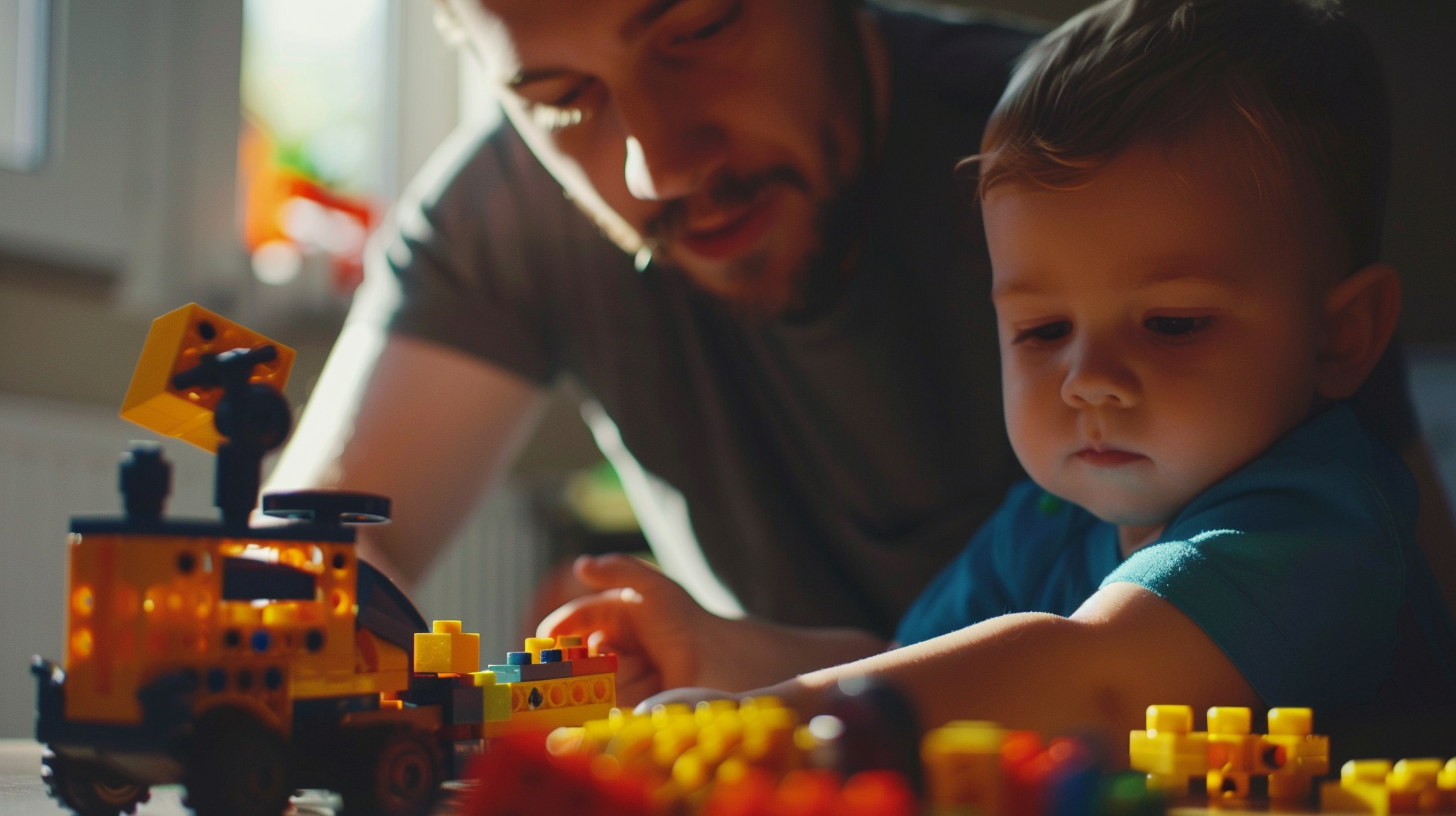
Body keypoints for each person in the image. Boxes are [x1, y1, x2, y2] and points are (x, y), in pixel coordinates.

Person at [266, 0, 1455, 653]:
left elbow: (1409, 617)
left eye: (698, 29)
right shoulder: (504, 212)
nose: (657, 160)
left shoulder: (1088, 161)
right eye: (562, 100)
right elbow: (307, 559)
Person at [540, 0, 1456, 744]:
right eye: (1044, 327)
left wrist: (765, 727)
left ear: (1341, 336)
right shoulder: (1050, 523)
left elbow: (1091, 678)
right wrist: (722, 655)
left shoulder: (1319, 529)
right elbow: (922, 665)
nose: (1088, 380)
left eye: (1173, 323)